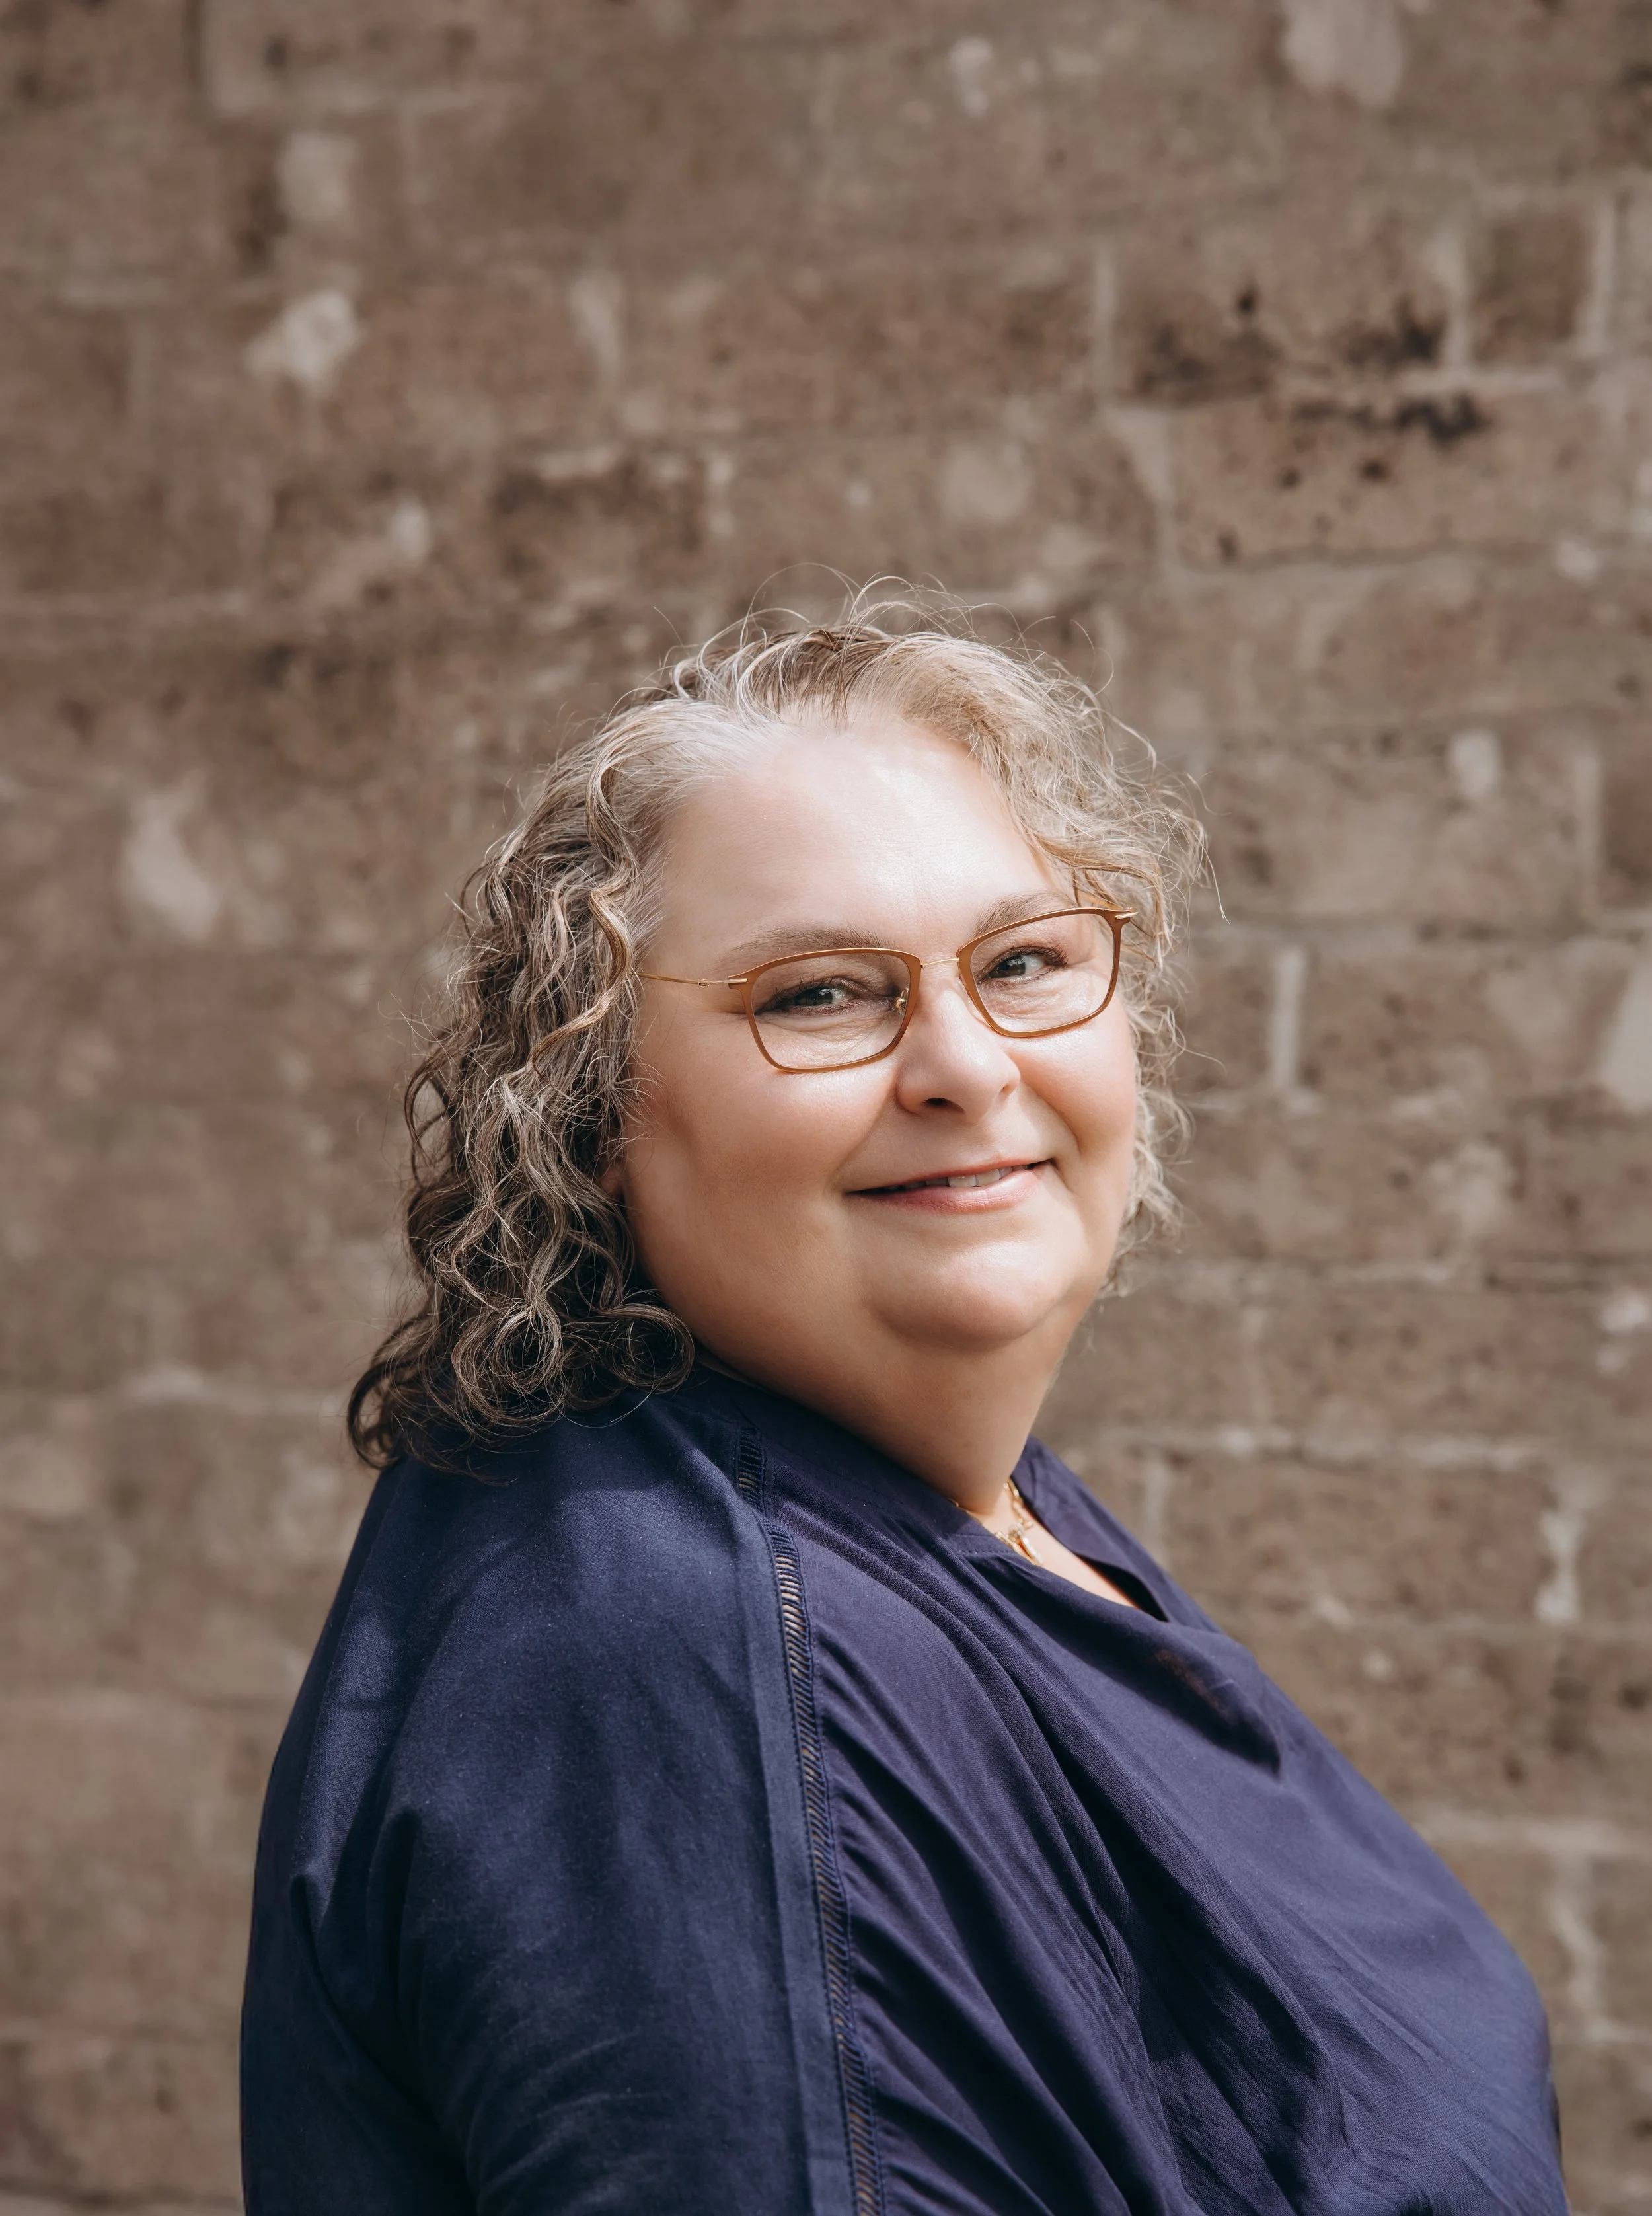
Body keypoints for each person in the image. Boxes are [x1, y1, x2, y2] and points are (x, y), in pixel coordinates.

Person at [241, 596, 1567, 2215]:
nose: (967, 1064)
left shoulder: (954, 1507)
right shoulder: (683, 1658)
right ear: (594, 1112)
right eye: (819, 993)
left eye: (1023, 962)